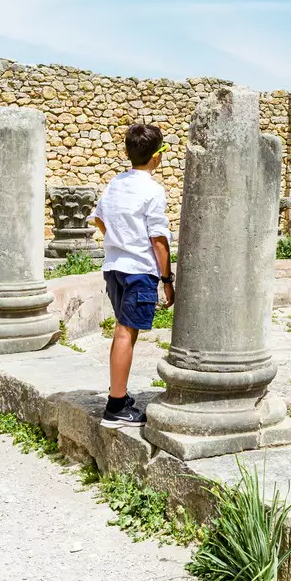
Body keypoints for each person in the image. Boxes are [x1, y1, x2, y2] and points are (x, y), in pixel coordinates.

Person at [88, 123, 174, 428]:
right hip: (139, 270)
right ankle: (115, 408)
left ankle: (119, 395)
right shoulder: (153, 190)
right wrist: (167, 281)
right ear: (156, 157)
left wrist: (118, 239)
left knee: (123, 332)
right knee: (126, 334)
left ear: (127, 153)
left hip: (114, 267)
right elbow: (158, 241)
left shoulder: (115, 183)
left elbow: (99, 217)